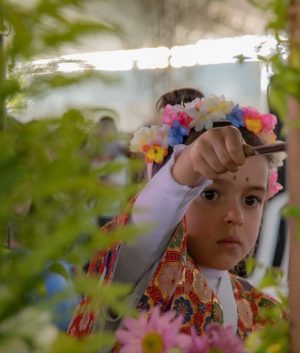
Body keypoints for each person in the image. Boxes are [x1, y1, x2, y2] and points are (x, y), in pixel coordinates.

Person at [68, 91, 285, 339]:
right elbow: (151, 222)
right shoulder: (138, 269)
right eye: (210, 194)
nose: (236, 216)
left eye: (251, 200)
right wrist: (189, 163)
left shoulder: (265, 312)